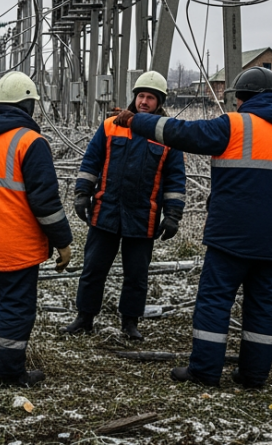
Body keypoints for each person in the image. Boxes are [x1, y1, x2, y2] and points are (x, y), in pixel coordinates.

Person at [112, 66, 272, 389]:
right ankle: (253, 377)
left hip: (230, 237)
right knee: (263, 309)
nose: (235, 105)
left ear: (245, 98)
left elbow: (182, 133)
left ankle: (204, 373)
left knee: (215, 302)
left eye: (237, 99)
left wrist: (135, 121)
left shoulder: (235, 126)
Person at [0, 71, 72, 388]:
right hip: (18, 247)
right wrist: (63, 243)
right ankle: (8, 375)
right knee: (15, 309)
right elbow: (45, 203)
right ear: (28, 106)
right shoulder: (30, 143)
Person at [64, 70, 186, 341]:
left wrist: (173, 214)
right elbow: (91, 161)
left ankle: (130, 323)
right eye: (141, 96)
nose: (144, 101)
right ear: (135, 97)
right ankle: (84, 318)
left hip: (143, 216)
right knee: (93, 268)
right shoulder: (111, 125)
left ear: (160, 101)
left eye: (150, 98)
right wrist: (83, 193)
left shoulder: (167, 134)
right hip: (106, 209)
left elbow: (176, 178)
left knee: (136, 276)